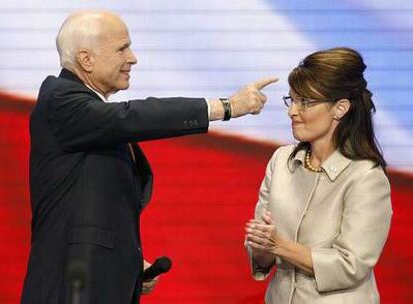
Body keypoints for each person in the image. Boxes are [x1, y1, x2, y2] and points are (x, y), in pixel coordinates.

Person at [20, 10, 278, 304]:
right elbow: (134, 116)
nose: (133, 58)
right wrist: (226, 107)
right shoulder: (60, 101)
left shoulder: (88, 119)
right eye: (122, 48)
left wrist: (126, 263)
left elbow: (92, 210)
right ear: (86, 59)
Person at [245, 47, 392, 303]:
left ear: (340, 108)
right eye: (291, 100)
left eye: (305, 102)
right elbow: (263, 254)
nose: (292, 111)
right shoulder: (281, 161)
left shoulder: (366, 177)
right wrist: (260, 248)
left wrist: (279, 245)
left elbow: (351, 265)